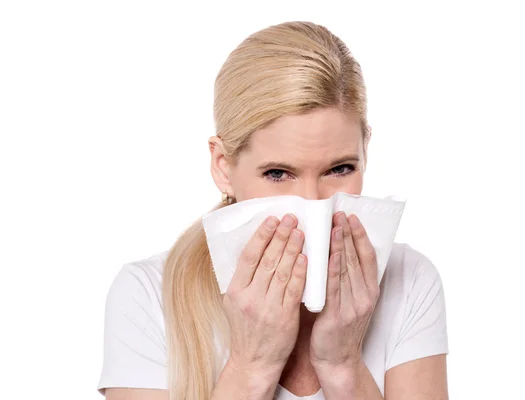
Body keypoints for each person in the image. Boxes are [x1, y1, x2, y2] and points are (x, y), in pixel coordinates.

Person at [97, 21, 449, 400]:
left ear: (366, 151)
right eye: (278, 173)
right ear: (222, 167)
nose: (315, 203)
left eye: (340, 169)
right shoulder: (148, 295)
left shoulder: (409, 281)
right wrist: (252, 366)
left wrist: (343, 364)